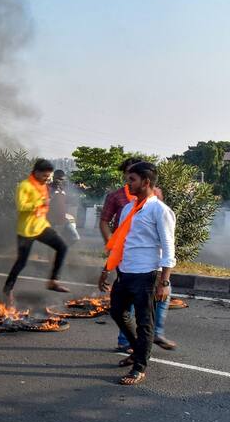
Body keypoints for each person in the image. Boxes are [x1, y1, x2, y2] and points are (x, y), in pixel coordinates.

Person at [98, 162, 176, 385]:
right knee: (117, 312)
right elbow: (120, 243)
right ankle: (136, 349)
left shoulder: (160, 210)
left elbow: (168, 246)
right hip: (126, 271)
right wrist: (107, 269)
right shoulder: (128, 209)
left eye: (132, 179)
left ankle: (139, 367)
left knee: (145, 322)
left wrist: (165, 281)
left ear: (146, 182)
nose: (127, 183)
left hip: (147, 274)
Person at [3, 159, 69, 306]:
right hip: (26, 230)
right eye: (45, 176)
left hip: (41, 226)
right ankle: (8, 289)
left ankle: (53, 281)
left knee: (62, 247)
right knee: (22, 262)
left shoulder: (43, 185)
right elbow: (21, 206)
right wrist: (39, 203)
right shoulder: (24, 186)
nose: (47, 179)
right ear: (37, 172)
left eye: (48, 176)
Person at [48, 170, 80, 245]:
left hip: (63, 220)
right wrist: (53, 193)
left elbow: (68, 201)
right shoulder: (48, 188)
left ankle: (62, 247)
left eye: (62, 179)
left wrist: (74, 199)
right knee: (52, 244)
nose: (60, 181)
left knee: (75, 237)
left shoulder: (63, 190)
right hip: (51, 221)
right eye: (59, 179)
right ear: (54, 178)